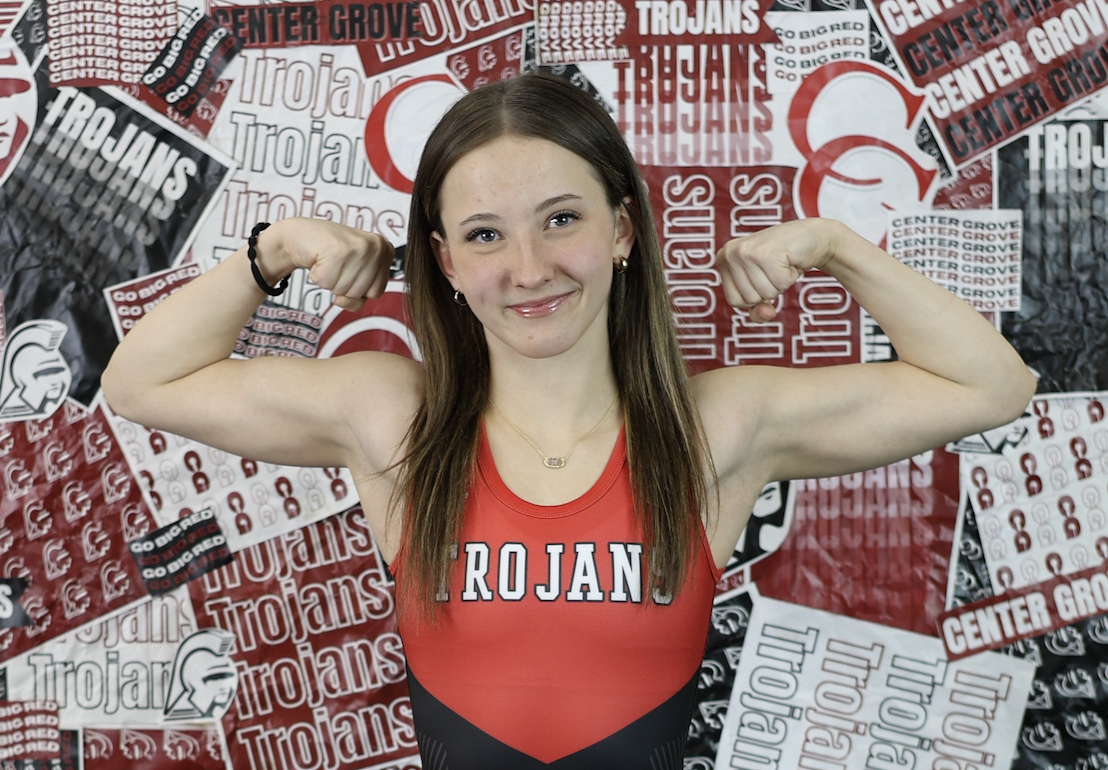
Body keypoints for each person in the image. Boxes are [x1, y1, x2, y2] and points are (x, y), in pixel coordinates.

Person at [102, 73, 1036, 766]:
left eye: (560, 219)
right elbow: (143, 381)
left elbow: (990, 386)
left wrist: (838, 248)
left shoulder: (717, 428)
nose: (528, 267)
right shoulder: (390, 416)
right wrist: (274, 251)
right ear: (447, 264)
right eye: (484, 235)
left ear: (623, 230)